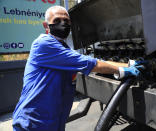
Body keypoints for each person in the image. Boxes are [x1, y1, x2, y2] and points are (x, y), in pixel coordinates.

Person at [12, 5, 141, 131]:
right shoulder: (43, 44)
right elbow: (91, 63)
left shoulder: (63, 49)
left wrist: (130, 64)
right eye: (57, 20)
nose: (63, 23)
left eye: (66, 21)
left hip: (54, 121)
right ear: (46, 26)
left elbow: (96, 61)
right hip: (33, 122)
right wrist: (124, 70)